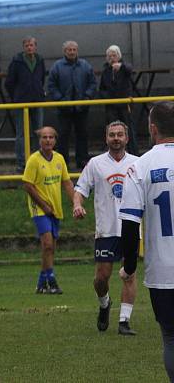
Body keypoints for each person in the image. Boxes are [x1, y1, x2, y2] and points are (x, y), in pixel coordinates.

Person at [120, 101, 174, 380]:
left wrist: (129, 266)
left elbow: (129, 226)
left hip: (163, 272)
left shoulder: (139, 167)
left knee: (170, 337)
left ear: (152, 128)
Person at [73, 121, 139, 334]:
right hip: (106, 229)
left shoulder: (138, 163)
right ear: (106, 138)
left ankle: (124, 322)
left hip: (131, 228)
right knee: (101, 278)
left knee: (129, 274)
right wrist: (77, 205)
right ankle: (104, 304)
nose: (116, 138)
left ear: (127, 138)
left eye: (120, 134)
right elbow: (80, 189)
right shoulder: (96, 164)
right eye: (112, 135)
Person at [22, 126, 75, 295]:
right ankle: (51, 280)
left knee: (51, 247)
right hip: (40, 208)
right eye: (44, 137)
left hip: (55, 208)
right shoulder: (34, 160)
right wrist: (43, 204)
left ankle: (41, 282)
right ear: (39, 140)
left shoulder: (59, 159)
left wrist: (76, 202)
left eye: (51, 137)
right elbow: (28, 185)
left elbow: (66, 182)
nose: (47, 140)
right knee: (47, 243)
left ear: (55, 140)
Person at [47, 40, 97, 169]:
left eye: (74, 49)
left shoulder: (85, 65)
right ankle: (63, 163)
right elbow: (51, 85)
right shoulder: (57, 66)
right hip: (64, 109)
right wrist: (60, 100)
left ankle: (82, 161)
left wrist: (87, 97)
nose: (72, 52)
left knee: (82, 134)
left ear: (77, 51)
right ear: (65, 51)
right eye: (69, 50)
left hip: (82, 108)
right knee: (63, 135)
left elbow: (92, 83)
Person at [4, 36, 46, 171]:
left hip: (37, 100)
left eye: (32, 45)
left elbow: (42, 78)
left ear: (35, 47)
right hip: (21, 101)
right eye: (27, 45)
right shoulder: (17, 61)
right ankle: (22, 162)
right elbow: (9, 82)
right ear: (24, 47)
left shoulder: (40, 60)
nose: (29, 47)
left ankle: (38, 160)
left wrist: (39, 91)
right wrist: (16, 96)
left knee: (38, 132)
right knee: (21, 133)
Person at [98, 44, 138, 155]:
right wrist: (107, 98)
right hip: (111, 105)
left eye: (114, 55)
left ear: (119, 56)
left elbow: (130, 70)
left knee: (129, 130)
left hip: (125, 105)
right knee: (111, 129)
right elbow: (102, 88)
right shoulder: (106, 70)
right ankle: (111, 153)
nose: (112, 58)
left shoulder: (125, 67)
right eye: (109, 56)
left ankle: (134, 153)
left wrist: (121, 66)